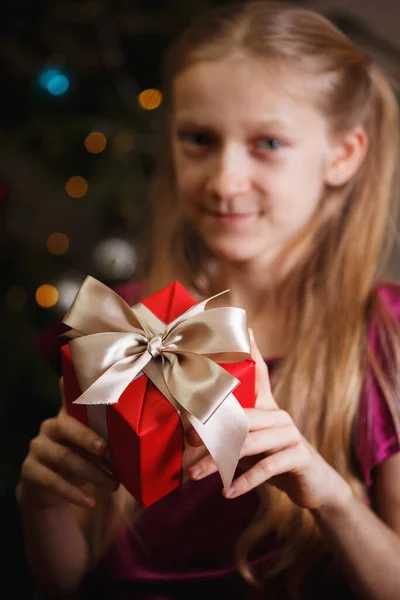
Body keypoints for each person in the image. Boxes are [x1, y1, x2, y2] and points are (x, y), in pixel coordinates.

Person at [17, 2, 400, 599]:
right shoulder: (126, 323)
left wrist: (330, 495)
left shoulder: (386, 340)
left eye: (268, 142)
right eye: (198, 139)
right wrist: (41, 504)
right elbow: (69, 581)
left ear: (343, 154)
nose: (223, 181)